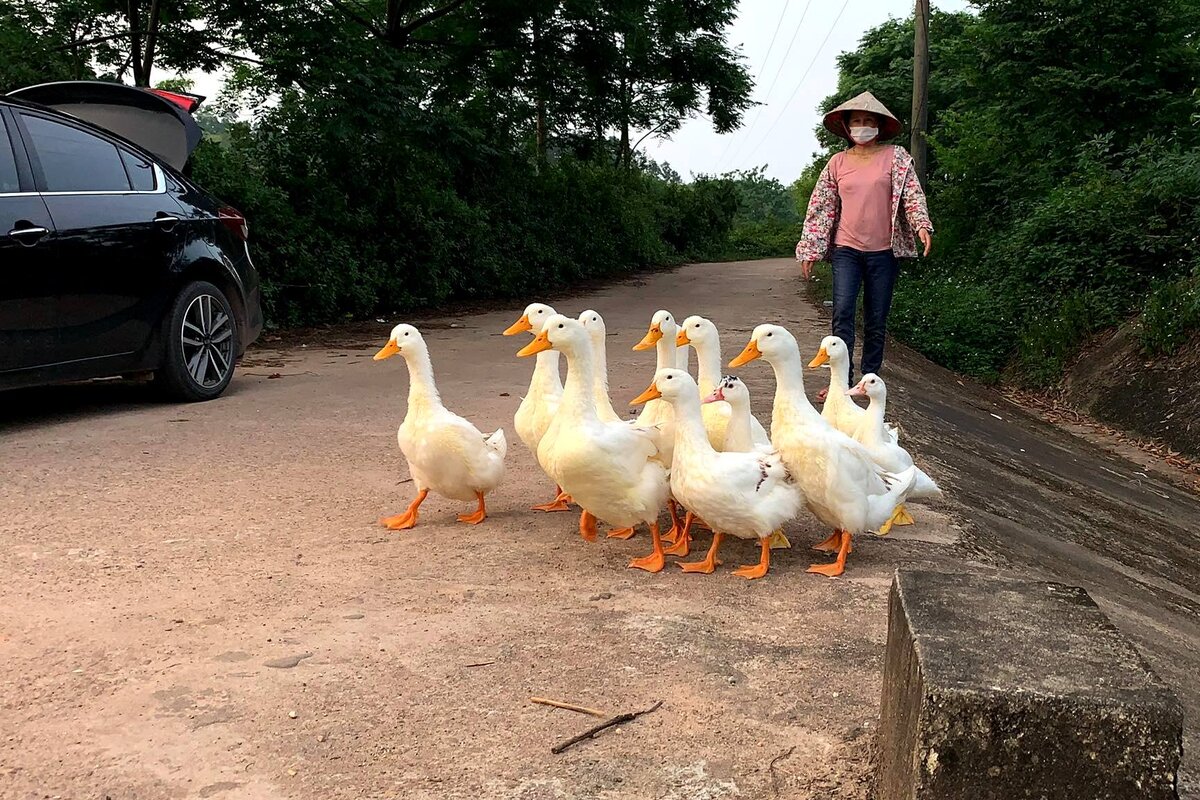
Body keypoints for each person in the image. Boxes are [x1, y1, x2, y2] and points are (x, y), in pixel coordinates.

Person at [796, 91, 932, 396]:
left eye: (868, 120)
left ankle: (869, 380)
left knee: (876, 318)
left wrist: (921, 224)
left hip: (883, 253)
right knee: (842, 313)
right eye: (856, 121)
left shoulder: (896, 157)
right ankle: (840, 382)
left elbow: (912, 194)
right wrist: (810, 249)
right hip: (846, 250)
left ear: (879, 126)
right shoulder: (837, 162)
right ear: (847, 127)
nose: (862, 126)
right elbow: (821, 207)